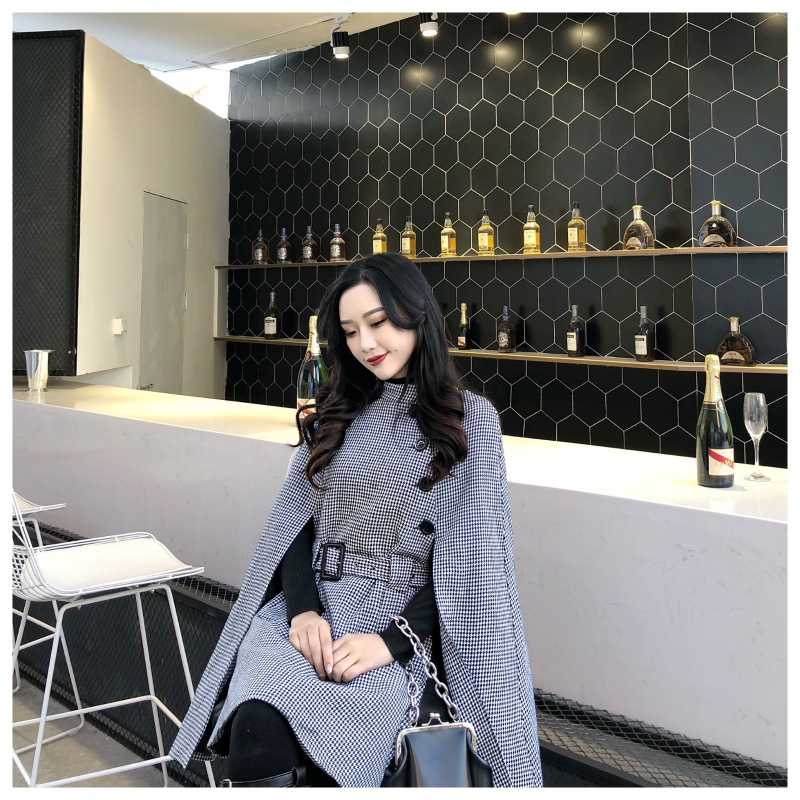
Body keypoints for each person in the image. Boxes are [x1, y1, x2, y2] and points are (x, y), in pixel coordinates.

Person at [169, 253, 542, 787]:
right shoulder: (334, 411)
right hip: (313, 613)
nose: (365, 343)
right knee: (256, 723)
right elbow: (295, 525)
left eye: (378, 322)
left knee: (346, 748)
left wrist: (389, 643)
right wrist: (302, 611)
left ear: (416, 313)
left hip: (400, 629)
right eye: (349, 331)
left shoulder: (469, 421)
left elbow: (471, 571)